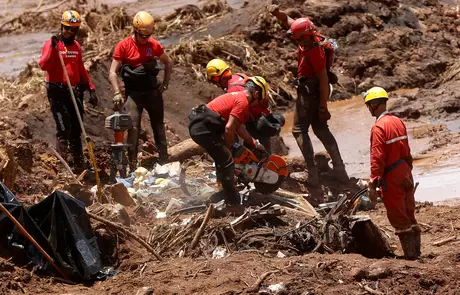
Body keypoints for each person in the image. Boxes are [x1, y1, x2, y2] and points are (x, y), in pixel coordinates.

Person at [268, 5, 348, 186]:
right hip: (312, 93)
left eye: (297, 38)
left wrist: (323, 107)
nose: (296, 41)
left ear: (304, 37)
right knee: (321, 130)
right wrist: (277, 13)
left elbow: (323, 81)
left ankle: (312, 174)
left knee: (298, 130)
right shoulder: (309, 36)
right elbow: (288, 21)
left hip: (310, 94)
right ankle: (340, 170)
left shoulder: (314, 51)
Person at [188, 77, 270, 205]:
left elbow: (239, 127)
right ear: (256, 94)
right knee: (227, 161)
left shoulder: (237, 97)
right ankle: (233, 202)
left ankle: (222, 190)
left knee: (222, 159)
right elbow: (229, 128)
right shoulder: (243, 102)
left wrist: (255, 143)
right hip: (203, 128)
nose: (256, 105)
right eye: (258, 102)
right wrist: (229, 147)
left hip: (201, 124)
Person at [109, 11, 173, 169]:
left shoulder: (154, 45)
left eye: (148, 35)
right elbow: (112, 72)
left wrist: (165, 83)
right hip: (134, 94)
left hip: (152, 92)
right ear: (135, 30)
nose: (145, 39)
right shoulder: (124, 46)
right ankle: (132, 165)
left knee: (158, 126)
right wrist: (117, 92)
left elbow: (168, 62)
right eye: (142, 35)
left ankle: (164, 160)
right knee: (133, 127)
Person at [363, 87, 421, 260]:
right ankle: (417, 251)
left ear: (374, 104)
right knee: (409, 211)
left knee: (398, 215)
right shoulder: (397, 121)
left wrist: (373, 182)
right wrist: (407, 169)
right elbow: (407, 149)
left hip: (392, 176)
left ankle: (410, 256)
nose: (368, 109)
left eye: (368, 105)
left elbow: (377, 157)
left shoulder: (378, 127)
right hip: (404, 171)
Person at [39, 10, 99, 173]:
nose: (70, 32)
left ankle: (79, 166)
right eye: (67, 28)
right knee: (63, 129)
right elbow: (43, 65)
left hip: (74, 92)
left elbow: (80, 68)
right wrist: (52, 47)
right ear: (61, 26)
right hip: (57, 91)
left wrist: (90, 88)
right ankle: (62, 169)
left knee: (76, 130)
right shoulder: (53, 44)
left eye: (74, 29)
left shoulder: (76, 46)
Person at [205, 59, 284, 153]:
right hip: (264, 115)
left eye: (214, 80)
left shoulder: (233, 90)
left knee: (258, 156)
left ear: (216, 78)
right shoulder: (238, 76)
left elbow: (234, 123)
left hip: (256, 122)